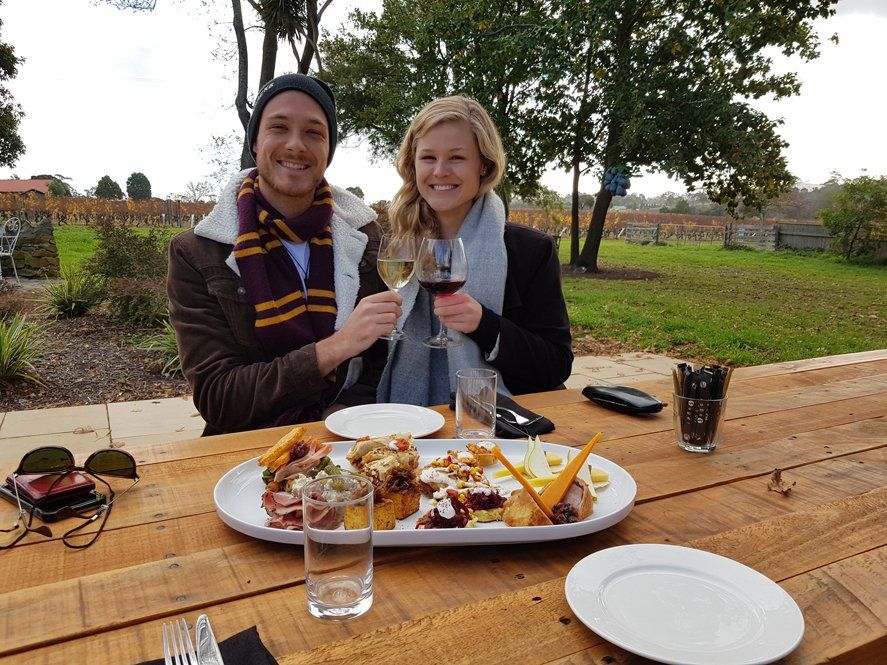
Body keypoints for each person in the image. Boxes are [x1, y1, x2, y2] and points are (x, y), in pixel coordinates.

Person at [168, 74, 402, 435]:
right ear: (256, 141)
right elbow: (218, 398)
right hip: (247, 453)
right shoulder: (199, 252)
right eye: (279, 127)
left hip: (342, 440)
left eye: (314, 132)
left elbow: (378, 361)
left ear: (328, 150)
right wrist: (335, 347)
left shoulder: (363, 237)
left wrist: (345, 412)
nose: (296, 145)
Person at [377, 96, 573, 405]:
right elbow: (372, 363)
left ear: (484, 164)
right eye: (428, 158)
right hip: (408, 430)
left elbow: (556, 366)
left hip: (496, 431)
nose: (440, 171)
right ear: (412, 164)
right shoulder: (395, 248)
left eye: (456, 158)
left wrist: (486, 326)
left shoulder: (531, 251)